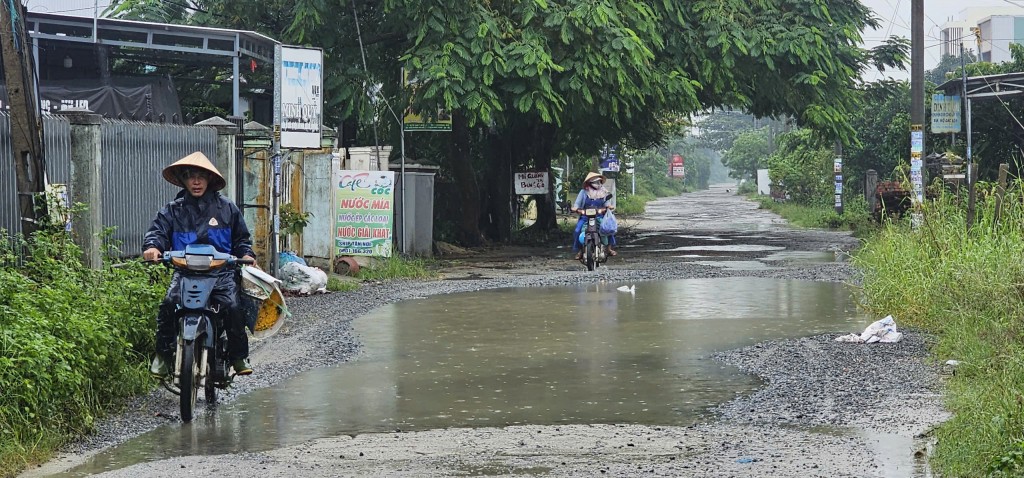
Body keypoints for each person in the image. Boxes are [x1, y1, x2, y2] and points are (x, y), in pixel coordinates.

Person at [142, 151, 256, 378]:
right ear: (183, 180)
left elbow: (241, 240)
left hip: (221, 274)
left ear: (210, 180)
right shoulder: (173, 210)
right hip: (184, 273)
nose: (196, 182)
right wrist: (153, 247)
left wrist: (246, 255)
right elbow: (157, 233)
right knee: (168, 305)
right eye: (190, 176)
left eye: (201, 177)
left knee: (234, 308)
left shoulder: (227, 209)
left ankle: (238, 356)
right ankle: (163, 356)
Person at [570, 172, 617, 260]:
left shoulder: (603, 191)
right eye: (595, 182)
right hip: (585, 217)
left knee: (608, 228)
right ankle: (580, 250)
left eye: (599, 182)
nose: (598, 184)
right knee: (577, 230)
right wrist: (575, 208)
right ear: (589, 182)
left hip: (599, 216)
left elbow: (607, 203)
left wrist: (608, 207)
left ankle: (609, 248)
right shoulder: (583, 192)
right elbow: (577, 204)